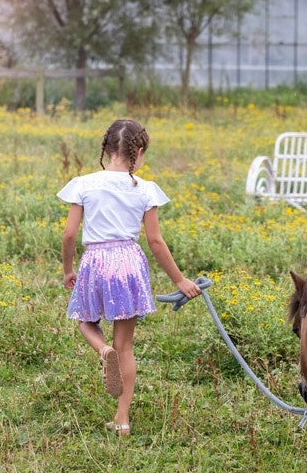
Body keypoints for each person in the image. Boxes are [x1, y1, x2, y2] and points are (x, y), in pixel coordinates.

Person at [58, 118, 201, 436]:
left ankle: (101, 350)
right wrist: (180, 280)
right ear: (137, 151)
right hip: (129, 263)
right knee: (125, 346)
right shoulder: (146, 189)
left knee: (84, 320)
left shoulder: (83, 184)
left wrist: (69, 269)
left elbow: (69, 235)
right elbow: (155, 241)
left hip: (96, 261)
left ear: (107, 149)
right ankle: (122, 419)